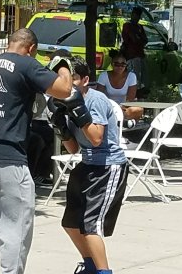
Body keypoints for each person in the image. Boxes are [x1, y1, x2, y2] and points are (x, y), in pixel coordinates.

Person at [0, 28, 73, 274]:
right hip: (7, 156)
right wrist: (63, 65)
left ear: (9, 42)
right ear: (31, 48)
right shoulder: (25, 63)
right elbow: (64, 90)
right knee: (15, 230)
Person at [49, 57, 128, 274]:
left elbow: (96, 139)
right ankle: (91, 266)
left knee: (91, 225)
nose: (66, 82)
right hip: (86, 163)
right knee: (71, 223)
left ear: (85, 80)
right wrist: (61, 129)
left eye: (72, 78)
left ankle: (103, 272)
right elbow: (73, 149)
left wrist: (78, 110)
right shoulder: (63, 101)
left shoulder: (95, 100)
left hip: (108, 165)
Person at [96, 50, 143, 121]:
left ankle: (127, 124)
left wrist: (120, 108)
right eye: (116, 64)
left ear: (126, 65)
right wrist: (111, 107)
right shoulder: (104, 76)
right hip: (107, 107)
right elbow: (99, 97)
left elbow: (130, 99)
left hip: (124, 108)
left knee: (138, 110)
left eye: (123, 64)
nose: (120, 67)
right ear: (112, 64)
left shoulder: (131, 76)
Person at [121, 6, 148, 89]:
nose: (136, 18)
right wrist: (138, 38)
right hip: (131, 56)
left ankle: (139, 91)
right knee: (134, 78)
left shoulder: (140, 27)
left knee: (141, 78)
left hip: (140, 55)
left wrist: (138, 38)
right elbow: (133, 39)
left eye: (137, 16)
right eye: (134, 15)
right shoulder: (127, 26)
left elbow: (145, 40)